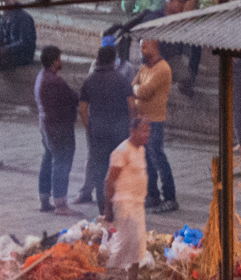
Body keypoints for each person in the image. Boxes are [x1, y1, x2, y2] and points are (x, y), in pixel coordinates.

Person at [75, 45, 134, 207]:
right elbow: (131, 106)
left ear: (98, 60)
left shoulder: (89, 80)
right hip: (119, 133)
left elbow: (82, 108)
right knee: (119, 170)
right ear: (113, 61)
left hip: (98, 132)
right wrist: (130, 126)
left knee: (100, 171)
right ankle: (120, 204)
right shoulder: (122, 80)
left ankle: (103, 208)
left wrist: (89, 127)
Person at [101, 119, 151, 280]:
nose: (146, 135)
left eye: (148, 131)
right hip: (125, 205)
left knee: (138, 247)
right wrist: (108, 208)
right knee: (124, 245)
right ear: (133, 130)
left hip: (138, 205)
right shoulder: (121, 151)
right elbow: (109, 181)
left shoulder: (141, 150)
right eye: (143, 131)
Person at [132, 39, 178, 214]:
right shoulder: (145, 67)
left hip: (155, 121)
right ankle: (152, 195)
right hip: (142, 119)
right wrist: (137, 89)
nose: (141, 50)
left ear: (154, 47)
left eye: (144, 46)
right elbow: (133, 86)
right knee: (146, 160)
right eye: (140, 46)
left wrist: (137, 90)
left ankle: (170, 197)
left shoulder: (162, 69)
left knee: (158, 157)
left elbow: (145, 91)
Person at [33, 46, 79, 216]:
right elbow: (72, 98)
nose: (61, 61)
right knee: (61, 162)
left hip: (46, 126)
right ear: (54, 61)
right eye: (59, 58)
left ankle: (44, 199)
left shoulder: (41, 77)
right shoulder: (54, 81)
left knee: (48, 160)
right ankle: (60, 203)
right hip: (58, 128)